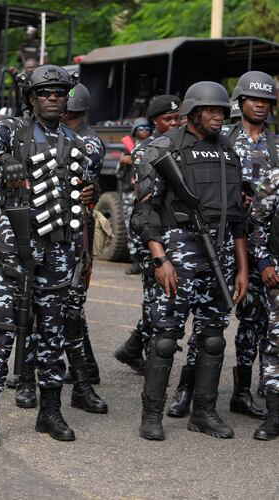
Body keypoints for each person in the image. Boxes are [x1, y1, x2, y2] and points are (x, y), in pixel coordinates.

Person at [0, 65, 95, 446]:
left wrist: (88, 192)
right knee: (3, 329)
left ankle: (49, 412)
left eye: (58, 93)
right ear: (32, 99)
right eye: (44, 93)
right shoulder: (11, 130)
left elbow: (86, 183)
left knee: (52, 330)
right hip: (17, 245)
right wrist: (3, 161)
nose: (52, 98)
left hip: (60, 246)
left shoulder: (78, 141)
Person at [131, 81, 248, 441]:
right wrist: (159, 258)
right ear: (192, 113)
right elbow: (143, 211)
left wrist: (242, 267)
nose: (218, 117)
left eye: (222, 112)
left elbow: (238, 214)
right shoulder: (163, 147)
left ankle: (204, 412)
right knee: (166, 337)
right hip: (178, 250)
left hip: (223, 252)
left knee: (213, 338)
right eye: (211, 111)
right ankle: (152, 415)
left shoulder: (228, 150)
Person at [170, 71, 277, 420]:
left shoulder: (276, 146)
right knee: (206, 320)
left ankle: (243, 391)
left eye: (266, 101)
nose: (260, 105)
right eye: (253, 99)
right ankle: (187, 389)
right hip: (216, 239)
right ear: (240, 103)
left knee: (255, 322)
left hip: (258, 241)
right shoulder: (222, 138)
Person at [115, 95, 181, 376]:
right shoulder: (146, 149)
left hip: (173, 233)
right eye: (168, 119)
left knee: (162, 300)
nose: (175, 123)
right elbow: (149, 201)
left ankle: (132, 348)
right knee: (158, 299)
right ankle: (146, 353)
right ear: (154, 121)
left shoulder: (178, 144)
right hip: (151, 233)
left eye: (178, 119)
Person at [249, 90, 279, 440]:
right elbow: (257, 222)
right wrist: (266, 261)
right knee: (274, 344)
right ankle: (273, 414)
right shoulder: (274, 179)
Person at [120, 117, 152, 275]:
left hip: (145, 194)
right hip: (129, 193)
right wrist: (134, 158)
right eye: (141, 128)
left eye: (147, 128)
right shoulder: (130, 146)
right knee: (130, 227)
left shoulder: (154, 144)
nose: (145, 131)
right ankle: (135, 260)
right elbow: (123, 158)